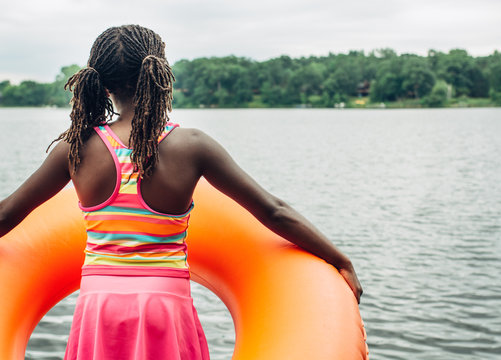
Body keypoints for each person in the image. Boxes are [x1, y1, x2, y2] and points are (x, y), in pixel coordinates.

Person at [0, 25, 362, 359]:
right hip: (165, 305)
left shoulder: (76, 148)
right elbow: (274, 212)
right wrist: (339, 259)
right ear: (160, 76)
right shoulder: (191, 146)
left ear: (103, 85)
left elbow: (5, 215)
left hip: (99, 305)